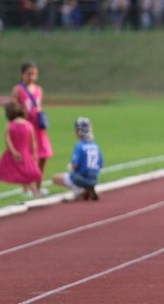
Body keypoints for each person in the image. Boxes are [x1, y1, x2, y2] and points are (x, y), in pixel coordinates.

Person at [10, 62, 52, 194]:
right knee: (27, 158)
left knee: (43, 156)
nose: (31, 77)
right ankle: (27, 188)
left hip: (39, 128)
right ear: (22, 74)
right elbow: (11, 109)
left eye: (34, 74)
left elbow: (38, 107)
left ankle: (38, 186)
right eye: (28, 74)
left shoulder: (39, 89)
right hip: (25, 129)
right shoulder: (18, 90)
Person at [52, 117, 103, 201]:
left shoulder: (79, 146)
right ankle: (87, 188)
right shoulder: (96, 146)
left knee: (55, 178)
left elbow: (74, 165)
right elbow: (101, 165)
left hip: (81, 178)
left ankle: (79, 189)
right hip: (94, 179)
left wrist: (71, 166)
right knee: (84, 176)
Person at [0, 102, 41, 197]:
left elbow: (8, 141)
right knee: (29, 175)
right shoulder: (29, 125)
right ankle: (35, 193)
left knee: (5, 171)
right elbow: (33, 142)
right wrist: (35, 154)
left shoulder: (10, 125)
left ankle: (33, 193)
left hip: (12, 155)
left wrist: (14, 152)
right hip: (26, 154)